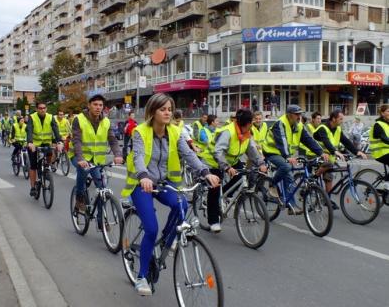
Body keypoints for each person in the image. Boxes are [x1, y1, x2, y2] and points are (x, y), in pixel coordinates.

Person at [120, 93, 220, 296]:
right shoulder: (140, 132)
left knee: (182, 205)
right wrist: (143, 176)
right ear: (152, 111)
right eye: (162, 109)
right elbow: (138, 157)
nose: (167, 113)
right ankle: (141, 276)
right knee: (150, 228)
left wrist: (205, 172)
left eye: (169, 109)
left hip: (165, 183)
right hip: (143, 185)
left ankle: (167, 239)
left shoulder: (175, 131)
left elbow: (189, 154)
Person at [198, 109, 266, 232]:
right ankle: (213, 221)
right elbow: (218, 152)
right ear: (246, 123)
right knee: (215, 188)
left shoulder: (246, 132)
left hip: (231, 161)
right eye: (251, 122)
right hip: (213, 161)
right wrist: (227, 167)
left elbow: (251, 150)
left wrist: (261, 163)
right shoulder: (228, 132)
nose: (253, 123)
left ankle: (224, 195)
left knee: (241, 177)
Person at [262, 105, 329, 215]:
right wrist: (288, 157)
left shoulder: (299, 126)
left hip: (285, 154)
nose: (299, 116)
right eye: (296, 114)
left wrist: (321, 152)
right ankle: (272, 185)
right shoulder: (280, 124)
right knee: (286, 167)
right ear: (289, 115)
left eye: (300, 114)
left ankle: (290, 205)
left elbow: (308, 140)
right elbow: (282, 141)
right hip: (271, 152)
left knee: (289, 176)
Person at [70, 94, 123, 213]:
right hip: (79, 156)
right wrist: (80, 158)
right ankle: (79, 197)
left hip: (96, 159)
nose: (98, 107)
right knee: (83, 170)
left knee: (102, 189)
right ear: (89, 105)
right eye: (95, 104)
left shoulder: (106, 121)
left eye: (100, 105)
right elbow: (77, 140)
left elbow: (113, 140)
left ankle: (101, 221)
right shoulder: (79, 119)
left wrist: (118, 155)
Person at [313, 110, 367, 207]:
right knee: (328, 165)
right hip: (316, 154)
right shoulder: (323, 128)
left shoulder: (338, 129)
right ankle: (313, 178)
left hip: (329, 156)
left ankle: (327, 199)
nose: (342, 121)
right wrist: (335, 151)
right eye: (340, 119)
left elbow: (346, 141)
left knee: (329, 178)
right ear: (333, 119)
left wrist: (357, 151)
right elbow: (326, 142)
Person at [27, 102, 63, 197]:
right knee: (33, 165)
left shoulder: (50, 117)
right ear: (37, 109)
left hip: (46, 143)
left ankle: (46, 168)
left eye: (44, 108)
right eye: (40, 108)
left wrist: (59, 141)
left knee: (50, 153)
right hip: (34, 144)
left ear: (46, 109)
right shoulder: (32, 117)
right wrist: (30, 142)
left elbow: (55, 129)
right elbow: (29, 130)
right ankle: (33, 187)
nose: (42, 110)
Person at [369, 104, 389, 189]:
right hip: (379, 153)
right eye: (388, 111)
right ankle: (383, 184)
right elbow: (384, 138)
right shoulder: (378, 124)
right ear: (382, 113)